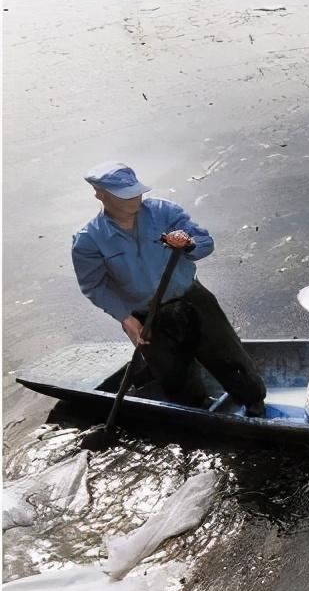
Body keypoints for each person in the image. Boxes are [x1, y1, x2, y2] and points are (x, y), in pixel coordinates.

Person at [72, 161, 267, 416]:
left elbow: (205, 242)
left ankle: (254, 403)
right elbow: (93, 286)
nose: (135, 199)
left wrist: (187, 245)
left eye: (137, 192)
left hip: (191, 299)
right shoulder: (88, 240)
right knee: (175, 377)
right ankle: (200, 413)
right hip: (148, 315)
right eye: (126, 195)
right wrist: (125, 317)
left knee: (229, 357)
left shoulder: (164, 212)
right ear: (100, 194)